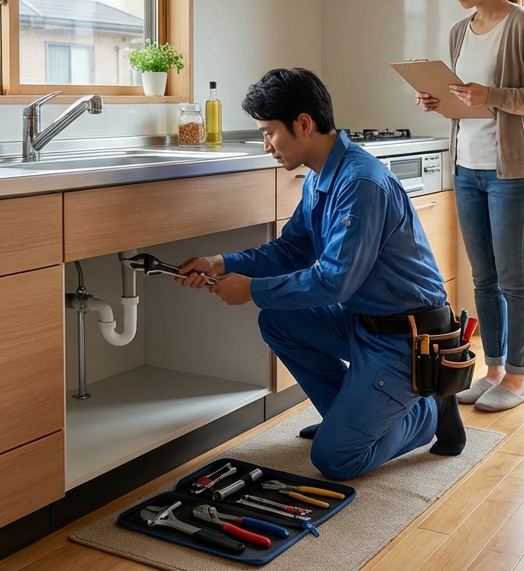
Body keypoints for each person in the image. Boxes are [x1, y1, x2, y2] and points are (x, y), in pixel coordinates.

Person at [177, 68, 467, 481]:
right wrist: (222, 263)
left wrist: (253, 289)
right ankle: (347, 421)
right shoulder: (320, 177)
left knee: (334, 460)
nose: (266, 145)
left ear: (303, 124)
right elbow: (291, 249)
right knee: (278, 320)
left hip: (407, 338)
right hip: (364, 323)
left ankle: (425, 412)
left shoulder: (361, 182)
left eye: (268, 133)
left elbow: (335, 281)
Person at [416, 0, 524, 413]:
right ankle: (493, 369)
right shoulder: (460, 31)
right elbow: (466, 104)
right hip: (468, 168)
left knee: (514, 278)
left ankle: (518, 379)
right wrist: (440, 102)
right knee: (483, 278)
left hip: (512, 173)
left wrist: (490, 95)